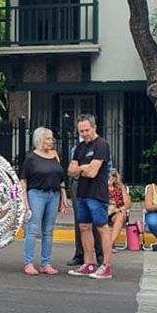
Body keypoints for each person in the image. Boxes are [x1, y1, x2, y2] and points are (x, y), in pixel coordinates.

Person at [67, 114, 113, 279]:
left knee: (102, 228)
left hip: (97, 193)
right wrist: (82, 168)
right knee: (84, 227)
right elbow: (70, 171)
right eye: (81, 131)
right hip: (82, 193)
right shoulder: (79, 148)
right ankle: (89, 262)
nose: (84, 134)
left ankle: (106, 265)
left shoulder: (102, 145)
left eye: (86, 130)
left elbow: (93, 172)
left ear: (94, 128)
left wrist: (80, 168)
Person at [20, 127, 69, 275]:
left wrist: (64, 196)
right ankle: (28, 263)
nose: (51, 141)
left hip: (53, 194)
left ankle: (45, 263)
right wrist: (25, 202)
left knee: (48, 230)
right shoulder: (31, 159)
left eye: (51, 138)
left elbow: (60, 178)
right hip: (36, 194)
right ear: (40, 139)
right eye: (47, 138)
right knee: (33, 229)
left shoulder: (55, 155)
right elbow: (23, 182)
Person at [107, 168, 131, 251]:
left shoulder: (120, 188)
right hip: (102, 212)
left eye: (110, 177)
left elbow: (127, 204)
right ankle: (104, 246)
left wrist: (121, 208)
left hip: (115, 212)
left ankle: (109, 245)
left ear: (114, 178)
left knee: (120, 216)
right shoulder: (100, 187)